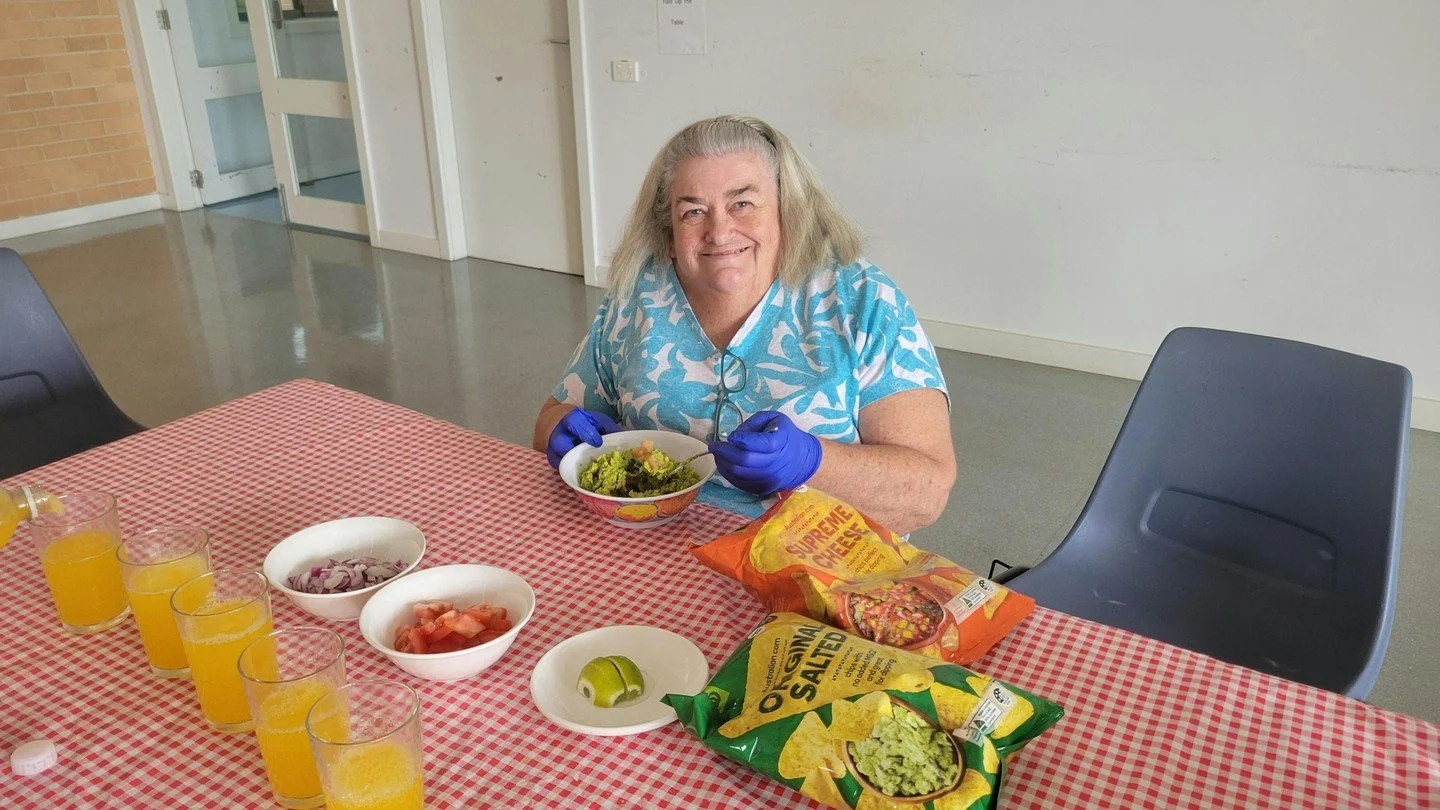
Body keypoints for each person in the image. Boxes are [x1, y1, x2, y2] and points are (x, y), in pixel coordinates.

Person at [533, 115, 955, 535]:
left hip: (819, 564)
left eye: (742, 204)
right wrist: (562, 433)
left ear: (788, 213)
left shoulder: (860, 299)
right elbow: (552, 417)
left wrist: (812, 462)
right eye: (693, 211)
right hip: (648, 547)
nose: (718, 232)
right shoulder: (638, 297)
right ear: (668, 233)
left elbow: (928, 491)